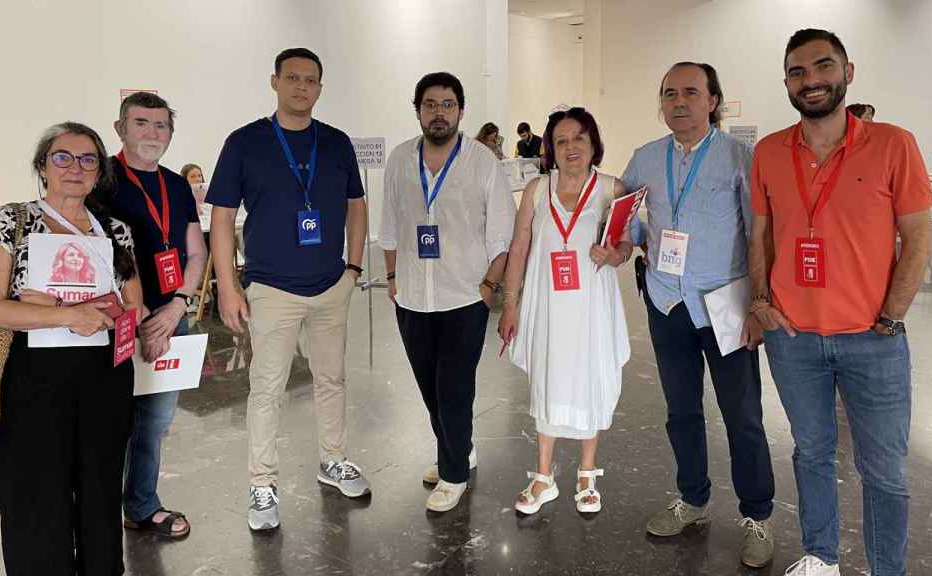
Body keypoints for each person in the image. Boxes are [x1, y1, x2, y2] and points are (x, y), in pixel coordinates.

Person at [749, 29, 932, 576]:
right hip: (794, 340)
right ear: (786, 83)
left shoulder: (894, 144)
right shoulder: (768, 152)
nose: (812, 81)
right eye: (798, 72)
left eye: (823, 66)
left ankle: (886, 569)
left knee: (883, 471)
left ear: (848, 72)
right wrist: (761, 301)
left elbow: (918, 239)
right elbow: (759, 233)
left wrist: (892, 317)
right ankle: (820, 556)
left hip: (872, 341)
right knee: (811, 454)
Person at [207, 47, 370, 531]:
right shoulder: (245, 142)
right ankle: (262, 484)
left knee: (331, 379)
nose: (302, 87)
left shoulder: (337, 143)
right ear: (274, 81)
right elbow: (221, 217)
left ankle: (332, 459)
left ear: (321, 87)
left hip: (329, 286)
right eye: (293, 78)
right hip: (272, 289)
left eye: (311, 80)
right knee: (266, 389)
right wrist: (229, 286)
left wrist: (354, 268)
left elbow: (356, 205)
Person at [0, 122, 145, 574]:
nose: (75, 167)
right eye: (62, 157)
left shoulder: (114, 228)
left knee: (100, 486)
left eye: (88, 159)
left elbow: (133, 306)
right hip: (33, 378)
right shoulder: (10, 222)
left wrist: (60, 302)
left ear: (99, 172)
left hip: (104, 375)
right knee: (35, 490)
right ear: (43, 167)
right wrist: (66, 313)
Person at [622, 61, 776, 568]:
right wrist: (634, 240)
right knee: (681, 412)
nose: (679, 102)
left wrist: (759, 302)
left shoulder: (740, 157)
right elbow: (627, 221)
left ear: (714, 101)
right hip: (667, 302)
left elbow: (759, 235)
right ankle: (693, 499)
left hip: (725, 306)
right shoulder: (645, 158)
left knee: (743, 417)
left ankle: (758, 515)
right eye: (670, 93)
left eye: (691, 92)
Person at [379, 71, 515, 512]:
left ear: (461, 110)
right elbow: (390, 225)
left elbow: (502, 233)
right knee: (429, 388)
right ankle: (459, 449)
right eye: (431, 104)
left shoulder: (483, 162)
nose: (439, 113)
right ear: (417, 109)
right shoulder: (401, 159)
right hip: (414, 296)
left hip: (465, 297)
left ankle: (454, 473)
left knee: (455, 388)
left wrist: (489, 286)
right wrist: (394, 278)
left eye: (448, 104)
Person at [498, 107, 631, 516]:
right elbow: (519, 247)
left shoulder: (611, 188)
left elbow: (625, 246)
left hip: (592, 303)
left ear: (593, 144)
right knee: (548, 376)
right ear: (550, 149)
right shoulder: (538, 190)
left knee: (589, 375)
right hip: (548, 301)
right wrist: (510, 303)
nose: (571, 147)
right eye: (561, 141)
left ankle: (587, 472)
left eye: (579, 139)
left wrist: (613, 256)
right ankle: (543, 476)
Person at [106, 91, 207, 539]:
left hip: (172, 315)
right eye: (142, 123)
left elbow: (195, 251)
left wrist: (176, 305)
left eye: (161, 125)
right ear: (121, 128)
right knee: (109, 416)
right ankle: (93, 509)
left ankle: (142, 505)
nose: (152, 133)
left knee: (156, 419)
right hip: (119, 318)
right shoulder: (101, 178)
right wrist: (141, 312)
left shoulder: (177, 184)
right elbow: (95, 248)